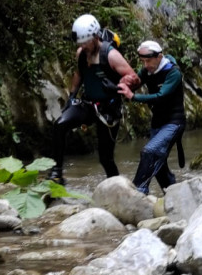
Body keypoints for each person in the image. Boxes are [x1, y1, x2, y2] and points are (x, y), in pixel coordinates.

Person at [50, 14, 139, 186]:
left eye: (86, 42)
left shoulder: (111, 55)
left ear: (96, 37)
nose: (83, 46)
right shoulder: (82, 53)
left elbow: (133, 77)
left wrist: (116, 86)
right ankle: (56, 173)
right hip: (88, 105)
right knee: (60, 125)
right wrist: (72, 96)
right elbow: (79, 74)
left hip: (108, 111)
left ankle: (117, 188)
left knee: (105, 159)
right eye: (80, 43)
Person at [118, 40, 186, 195]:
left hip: (174, 123)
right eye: (143, 61)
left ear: (159, 56)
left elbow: (161, 96)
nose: (145, 64)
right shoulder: (147, 71)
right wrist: (125, 85)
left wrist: (133, 96)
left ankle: (138, 192)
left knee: (150, 152)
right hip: (157, 122)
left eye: (148, 60)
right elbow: (135, 83)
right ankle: (172, 193)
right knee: (159, 165)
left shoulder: (173, 72)